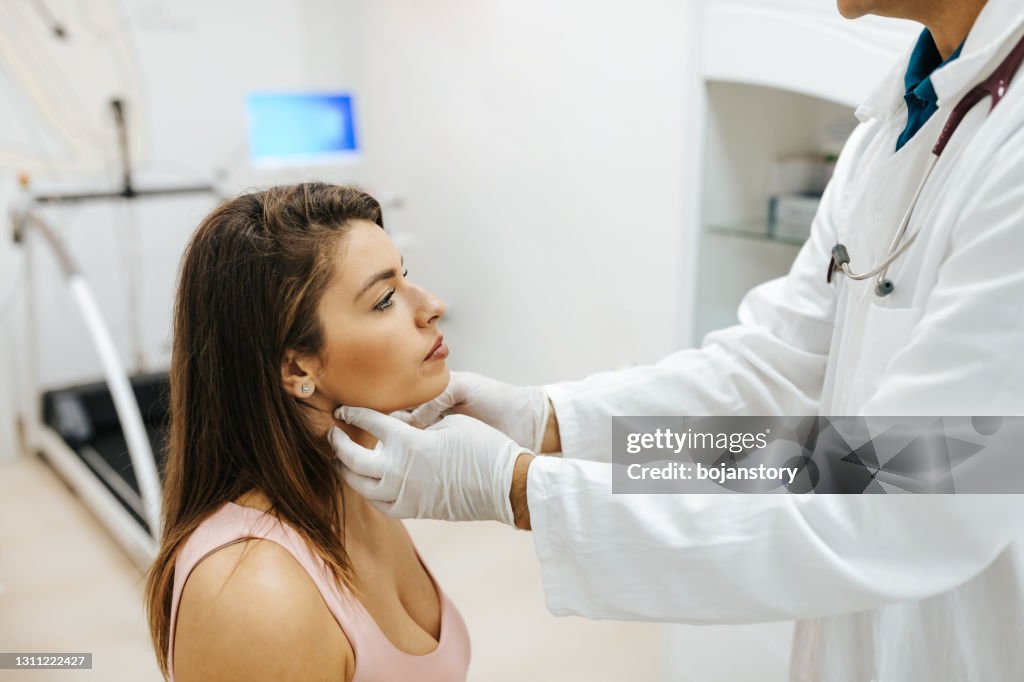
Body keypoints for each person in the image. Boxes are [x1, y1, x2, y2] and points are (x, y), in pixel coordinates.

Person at [330, 0, 1024, 679]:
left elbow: (900, 490)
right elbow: (770, 377)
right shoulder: (899, 121)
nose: (433, 307)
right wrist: (550, 423)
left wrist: (514, 487)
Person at [144, 183, 472, 681]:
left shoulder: (356, 494)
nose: (432, 306)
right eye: (385, 299)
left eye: (406, 277)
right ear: (298, 367)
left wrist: (549, 430)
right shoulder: (256, 595)